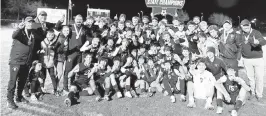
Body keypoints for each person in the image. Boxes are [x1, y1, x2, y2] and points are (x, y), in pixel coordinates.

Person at [7, 16, 39, 109]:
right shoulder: (19, 32)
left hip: (26, 62)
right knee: (13, 82)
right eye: (28, 22)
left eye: (31, 22)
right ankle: (9, 101)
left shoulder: (32, 34)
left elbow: (31, 48)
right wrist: (19, 28)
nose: (30, 24)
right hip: (16, 61)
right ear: (24, 22)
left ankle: (19, 97)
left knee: (22, 81)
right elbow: (13, 35)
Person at [240, 19, 266, 101]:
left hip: (258, 59)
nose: (246, 27)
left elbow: (264, 41)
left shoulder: (256, 32)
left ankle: (259, 94)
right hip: (247, 60)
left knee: (259, 77)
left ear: (250, 25)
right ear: (241, 26)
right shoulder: (240, 34)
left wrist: (258, 41)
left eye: (247, 25)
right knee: (250, 78)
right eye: (244, 26)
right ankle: (253, 93)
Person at [63, 14, 89, 93]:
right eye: (77, 19)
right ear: (75, 20)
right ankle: (65, 88)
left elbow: (87, 38)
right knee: (68, 70)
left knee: (76, 70)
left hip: (79, 52)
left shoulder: (84, 29)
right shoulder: (70, 27)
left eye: (80, 19)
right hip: (71, 52)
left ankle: (72, 86)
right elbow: (62, 30)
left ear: (82, 20)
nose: (78, 21)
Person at [39, 29, 60, 96]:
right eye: (49, 35)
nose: (50, 36)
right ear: (46, 35)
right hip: (43, 62)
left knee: (52, 76)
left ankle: (55, 90)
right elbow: (37, 50)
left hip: (51, 62)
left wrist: (53, 47)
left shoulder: (56, 42)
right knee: (43, 76)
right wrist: (40, 51)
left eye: (52, 35)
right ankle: (41, 89)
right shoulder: (42, 42)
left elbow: (57, 50)